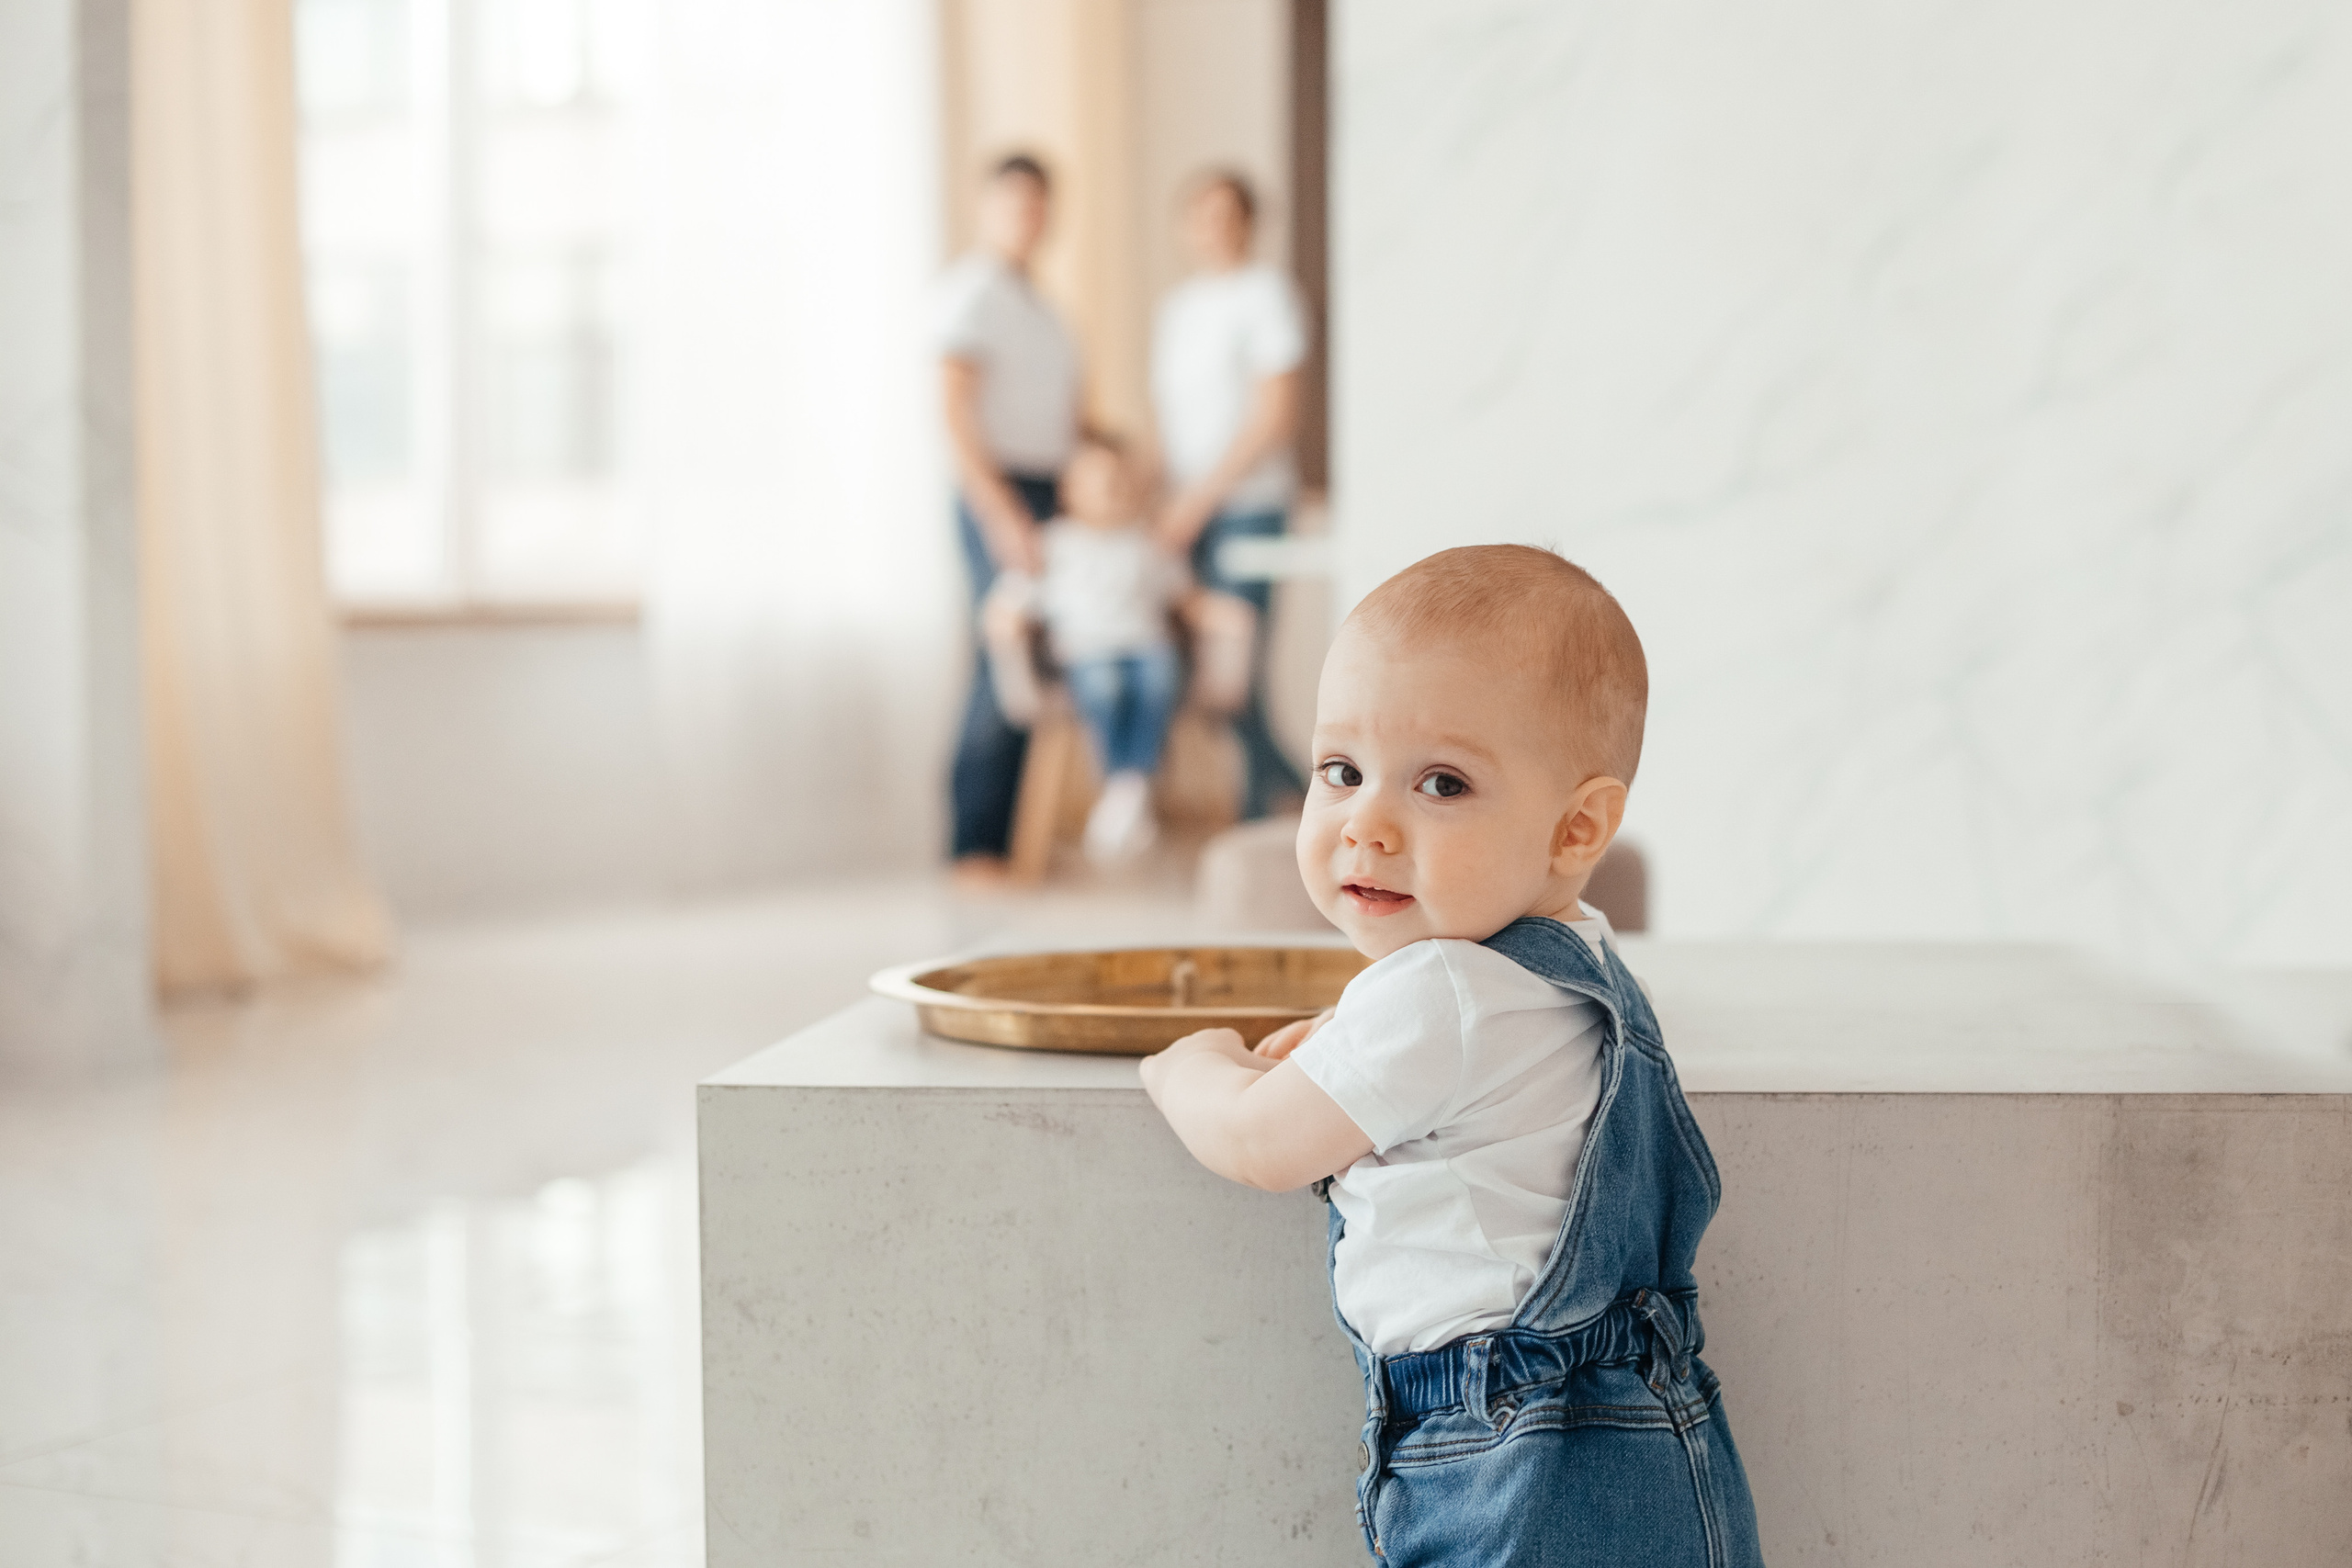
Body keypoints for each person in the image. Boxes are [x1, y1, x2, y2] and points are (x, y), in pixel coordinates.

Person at [1138, 547, 1764, 1567]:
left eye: (1441, 783)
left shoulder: (1443, 993)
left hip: (1508, 1456)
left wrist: (1187, 1065)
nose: (1366, 825)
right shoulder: (1572, 967)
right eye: (1339, 770)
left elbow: (1259, 1142)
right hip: (1645, 1427)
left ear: (1575, 828)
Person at [936, 152, 1084, 880]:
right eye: (1013, 204)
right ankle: (973, 845)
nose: (1027, 218)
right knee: (1001, 658)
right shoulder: (972, 293)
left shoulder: (1043, 306)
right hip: (1000, 489)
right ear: (988, 208)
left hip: (1052, 488)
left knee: (1036, 661)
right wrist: (1000, 513)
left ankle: (1019, 840)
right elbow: (955, 411)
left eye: (1038, 204)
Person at [1148, 170, 1310, 819]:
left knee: (1232, 678)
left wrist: (1201, 499)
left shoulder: (1267, 295)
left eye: (1226, 214)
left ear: (1248, 222)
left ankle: (1293, 804)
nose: (1213, 227)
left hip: (1247, 506)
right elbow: (1171, 420)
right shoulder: (1178, 309)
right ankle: (1288, 809)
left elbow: (1274, 414)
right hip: (1186, 513)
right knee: (1206, 683)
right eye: (1200, 214)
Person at [979, 435, 1188, 863]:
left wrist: (1211, 610)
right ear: (1069, 490)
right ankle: (1126, 785)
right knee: (1106, 688)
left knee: (1158, 682)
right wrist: (1006, 615)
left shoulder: (1147, 543)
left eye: (1121, 481)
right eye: (1099, 481)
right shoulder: (1054, 544)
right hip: (1085, 652)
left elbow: (1181, 593)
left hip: (1145, 646)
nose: (1113, 490)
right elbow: (1016, 595)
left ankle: (1126, 788)